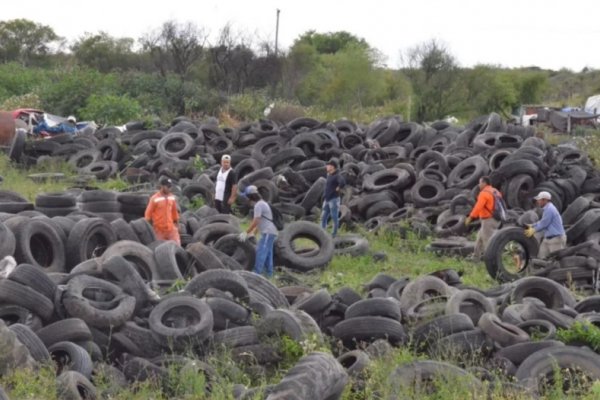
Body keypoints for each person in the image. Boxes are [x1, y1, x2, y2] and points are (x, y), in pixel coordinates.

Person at [238, 185, 277, 278]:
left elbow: (256, 220)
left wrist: (246, 232)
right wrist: (253, 233)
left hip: (268, 232)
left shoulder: (258, 205)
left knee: (261, 252)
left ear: (250, 196)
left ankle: (256, 274)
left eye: (247, 196)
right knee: (268, 253)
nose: (247, 199)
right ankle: (269, 274)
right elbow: (261, 221)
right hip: (270, 231)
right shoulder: (262, 203)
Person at [465, 176, 502, 261]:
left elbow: (478, 207)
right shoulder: (495, 191)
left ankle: (491, 260)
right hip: (496, 218)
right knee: (480, 237)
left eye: (480, 182)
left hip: (488, 220)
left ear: (484, 183)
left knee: (488, 241)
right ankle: (476, 256)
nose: (479, 185)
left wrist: (470, 217)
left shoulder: (484, 193)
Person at [524, 191, 566, 258]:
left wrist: (533, 230)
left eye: (539, 200)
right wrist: (532, 225)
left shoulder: (550, 209)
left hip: (556, 239)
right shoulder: (547, 209)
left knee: (555, 260)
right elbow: (543, 221)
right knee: (541, 258)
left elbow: (544, 224)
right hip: (547, 239)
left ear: (544, 200)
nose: (538, 202)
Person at [145, 177, 181, 245]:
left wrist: (177, 224)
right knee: (160, 248)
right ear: (162, 186)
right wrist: (150, 228)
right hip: (159, 229)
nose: (170, 188)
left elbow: (174, 212)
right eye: (168, 187)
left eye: (170, 186)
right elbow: (148, 214)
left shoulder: (172, 197)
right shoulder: (154, 198)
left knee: (177, 246)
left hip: (171, 228)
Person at [321, 159, 345, 237]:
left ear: (332, 167)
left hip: (334, 200)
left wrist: (338, 187)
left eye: (328, 165)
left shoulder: (337, 175)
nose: (326, 167)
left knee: (334, 217)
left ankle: (334, 234)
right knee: (323, 217)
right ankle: (322, 233)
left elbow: (342, 182)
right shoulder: (329, 175)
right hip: (327, 199)